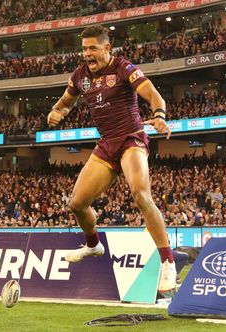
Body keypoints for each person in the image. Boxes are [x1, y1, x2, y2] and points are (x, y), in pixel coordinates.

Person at [47, 25, 176, 292]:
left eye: (93, 48)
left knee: (141, 195)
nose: (87, 54)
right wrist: (56, 112)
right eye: (84, 49)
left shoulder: (124, 68)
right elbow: (65, 101)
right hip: (106, 145)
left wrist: (161, 116)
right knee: (77, 203)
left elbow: (153, 95)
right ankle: (93, 245)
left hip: (131, 138)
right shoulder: (80, 76)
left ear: (107, 48)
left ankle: (167, 262)